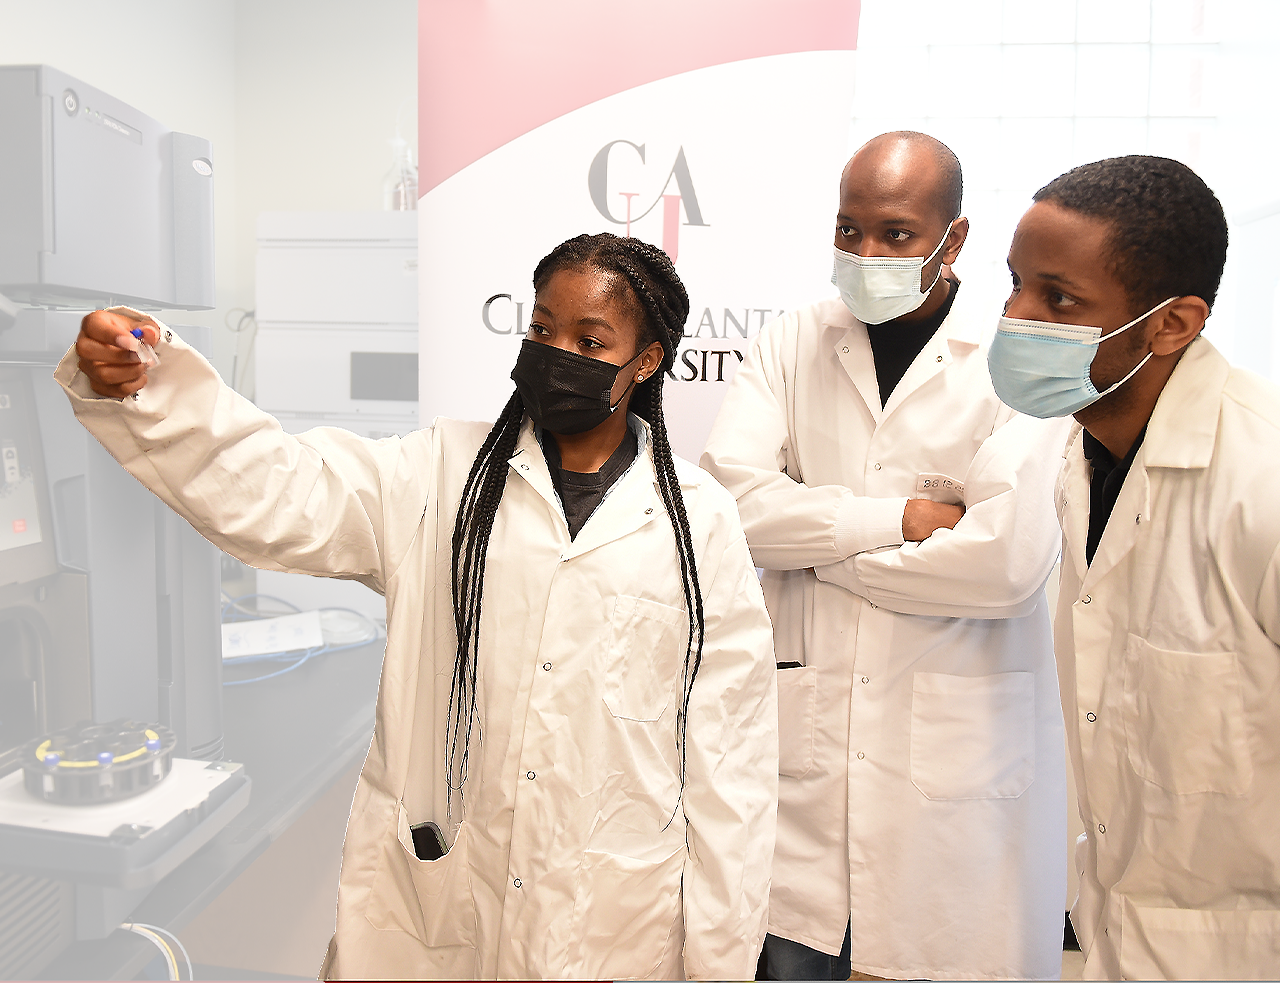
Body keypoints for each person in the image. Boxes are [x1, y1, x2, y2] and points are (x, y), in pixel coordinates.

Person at [59, 233, 778, 981]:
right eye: (541, 330)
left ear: (648, 359)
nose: (555, 352)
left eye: (589, 340)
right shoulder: (440, 473)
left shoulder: (701, 522)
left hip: (615, 916)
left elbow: (732, 763)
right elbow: (283, 487)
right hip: (441, 900)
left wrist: (721, 963)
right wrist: (150, 389)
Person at [701, 131, 1071, 981]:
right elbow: (733, 511)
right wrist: (902, 519)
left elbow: (1004, 565)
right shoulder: (791, 343)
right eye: (848, 230)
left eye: (896, 234)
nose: (866, 254)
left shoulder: (1019, 361)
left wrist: (817, 552)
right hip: (806, 779)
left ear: (955, 239)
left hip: (956, 792)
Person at [990, 155, 1280, 980]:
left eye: (1058, 299)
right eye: (1013, 284)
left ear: (1172, 323)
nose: (1015, 317)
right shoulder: (1078, 460)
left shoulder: (1264, 478)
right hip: (1113, 933)